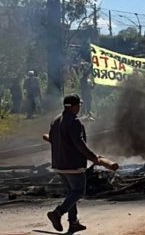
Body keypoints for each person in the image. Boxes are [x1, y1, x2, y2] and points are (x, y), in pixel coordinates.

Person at [45, 94, 102, 233]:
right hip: (73, 165)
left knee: (71, 193)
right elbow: (79, 143)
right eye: (79, 105)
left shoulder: (56, 120)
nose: (80, 108)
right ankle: (57, 213)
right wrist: (93, 157)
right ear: (75, 106)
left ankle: (73, 222)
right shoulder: (74, 122)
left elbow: (52, 139)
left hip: (59, 164)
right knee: (78, 192)